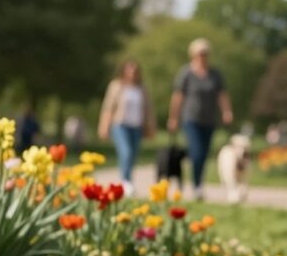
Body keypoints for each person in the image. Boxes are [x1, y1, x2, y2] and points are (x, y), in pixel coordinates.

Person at [167, 38, 233, 200]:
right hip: (191, 120)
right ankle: (196, 186)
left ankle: (199, 184)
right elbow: (178, 96)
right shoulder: (186, 73)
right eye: (199, 54)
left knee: (203, 155)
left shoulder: (215, 74)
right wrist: (173, 117)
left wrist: (227, 111)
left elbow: (222, 95)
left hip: (209, 120)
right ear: (193, 55)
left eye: (205, 54)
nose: (202, 57)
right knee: (196, 153)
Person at [98, 60, 155, 196]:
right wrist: (104, 126)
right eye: (129, 70)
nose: (132, 73)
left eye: (135, 71)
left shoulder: (142, 89)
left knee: (133, 155)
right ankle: (126, 181)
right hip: (120, 125)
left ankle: (128, 180)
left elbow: (148, 110)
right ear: (124, 72)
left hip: (136, 126)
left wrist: (150, 127)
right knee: (126, 152)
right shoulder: (116, 86)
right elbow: (108, 107)